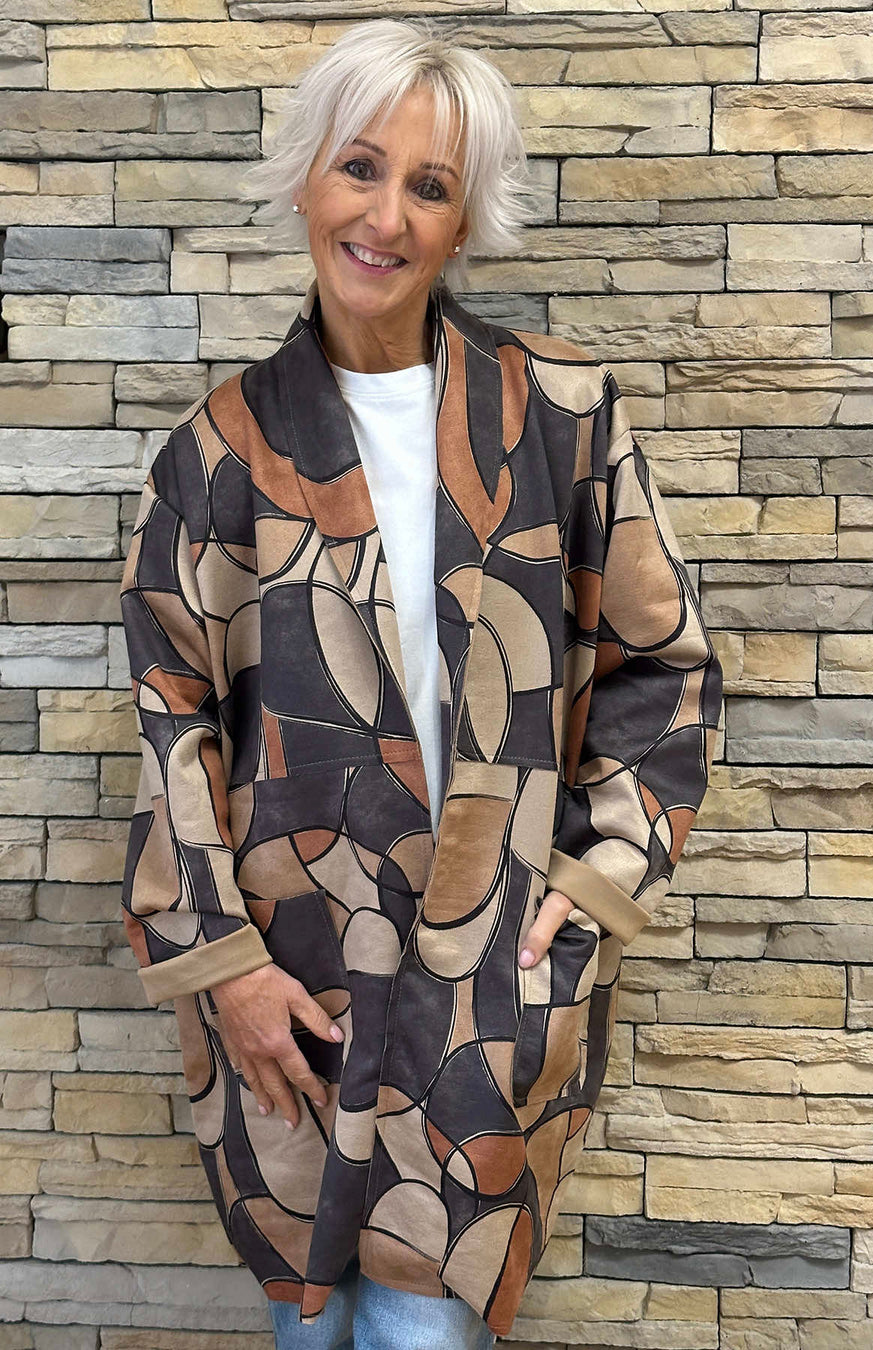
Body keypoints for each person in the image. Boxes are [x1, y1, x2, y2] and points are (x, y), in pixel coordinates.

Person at [118, 17, 723, 1350]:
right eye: (360, 167)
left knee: (419, 1331)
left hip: (488, 996)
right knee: (311, 1322)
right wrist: (226, 968)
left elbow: (663, 667)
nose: (385, 217)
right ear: (306, 178)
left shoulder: (559, 420)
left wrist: (595, 880)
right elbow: (172, 724)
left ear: (463, 222)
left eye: (429, 186)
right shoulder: (216, 454)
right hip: (293, 988)